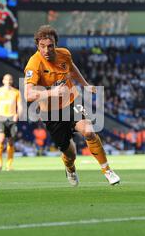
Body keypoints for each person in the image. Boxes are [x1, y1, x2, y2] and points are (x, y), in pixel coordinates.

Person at [23, 25, 120, 186]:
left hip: (71, 100)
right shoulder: (33, 64)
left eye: (50, 46)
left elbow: (72, 68)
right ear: (37, 46)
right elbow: (28, 94)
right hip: (51, 113)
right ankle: (70, 168)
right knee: (70, 154)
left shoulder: (64, 54)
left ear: (55, 44)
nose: (47, 50)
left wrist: (85, 84)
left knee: (88, 130)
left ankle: (107, 170)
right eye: (42, 46)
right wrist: (52, 93)